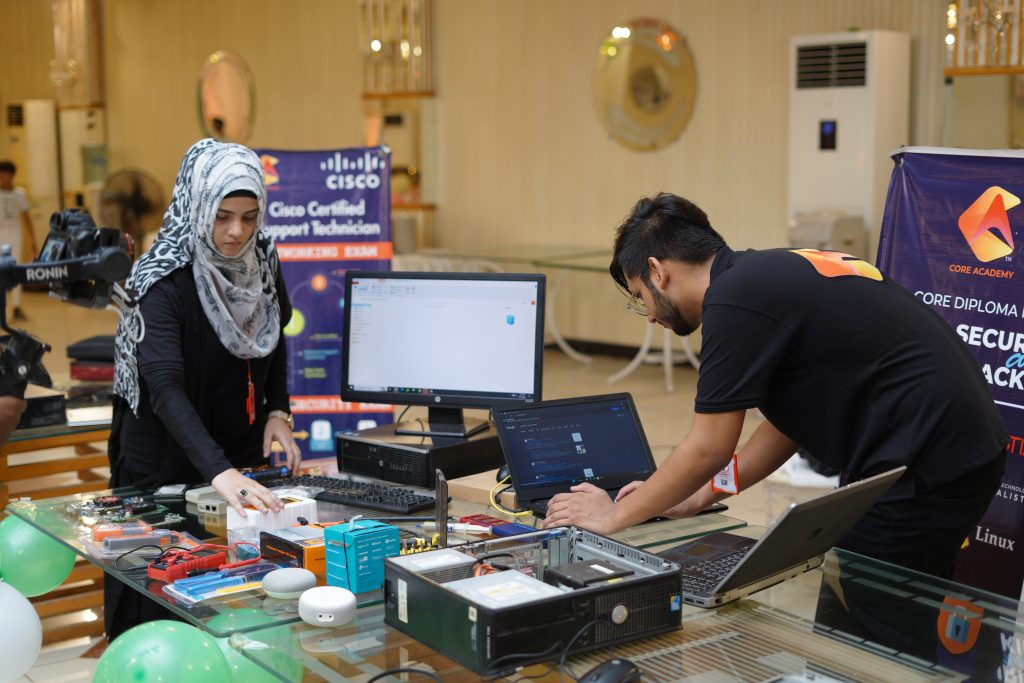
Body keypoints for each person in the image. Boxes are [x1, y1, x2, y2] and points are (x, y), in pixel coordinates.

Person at [542, 192, 1008, 580]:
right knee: (881, 603)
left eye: (640, 296)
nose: (648, 315)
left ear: (657, 271)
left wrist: (614, 516)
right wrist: (700, 496)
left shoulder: (733, 301)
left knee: (869, 620)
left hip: (926, 460)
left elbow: (708, 448)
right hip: (952, 447)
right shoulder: (762, 277)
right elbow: (786, 429)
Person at [105, 138, 301, 638]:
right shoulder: (160, 278)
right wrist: (219, 471)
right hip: (164, 458)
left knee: (238, 595)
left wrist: (278, 411)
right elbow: (165, 387)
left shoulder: (262, 257)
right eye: (222, 216)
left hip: (235, 453)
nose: (237, 232)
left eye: (250, 217)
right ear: (198, 206)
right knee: (163, 601)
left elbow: (274, 334)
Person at [0, 160, 37, 321]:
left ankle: (16, 306)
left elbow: (27, 217)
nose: (4, 177)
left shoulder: (19, 194)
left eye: (7, 173)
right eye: (1, 173)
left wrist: (33, 239)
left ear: (12, 175)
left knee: (15, 270)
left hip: (15, 235)